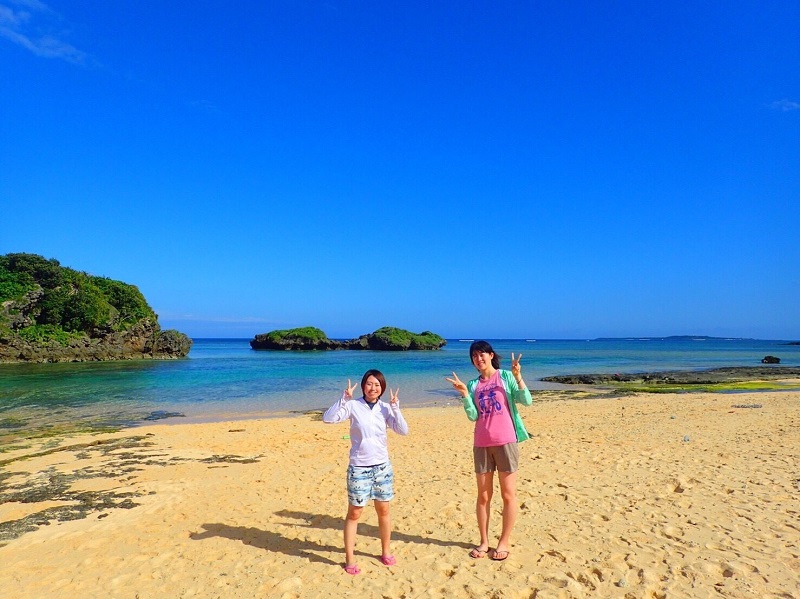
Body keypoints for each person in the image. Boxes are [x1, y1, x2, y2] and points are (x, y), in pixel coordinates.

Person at [445, 340, 532, 561]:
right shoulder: (474, 385)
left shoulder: (505, 376)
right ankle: (484, 541)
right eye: (474, 356)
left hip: (506, 442)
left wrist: (518, 376)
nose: (478, 358)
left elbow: (527, 401)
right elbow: (473, 416)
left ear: (491, 355)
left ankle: (504, 541)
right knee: (483, 496)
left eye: (482, 354)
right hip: (482, 443)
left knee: (508, 494)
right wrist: (465, 394)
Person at [323, 369, 409, 575]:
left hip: (382, 467)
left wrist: (396, 408)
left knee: (384, 511)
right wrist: (343, 399)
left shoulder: (386, 408)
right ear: (363, 386)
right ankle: (350, 558)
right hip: (359, 466)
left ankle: (385, 551)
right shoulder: (353, 406)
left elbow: (403, 430)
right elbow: (328, 418)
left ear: (382, 388)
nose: (373, 388)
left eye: (377, 385)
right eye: (369, 384)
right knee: (355, 512)